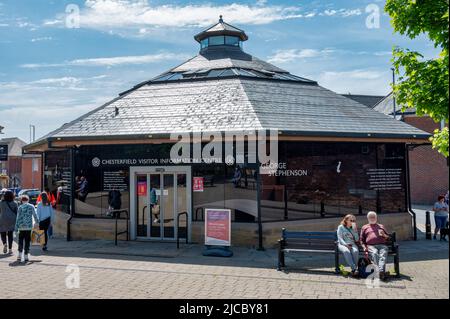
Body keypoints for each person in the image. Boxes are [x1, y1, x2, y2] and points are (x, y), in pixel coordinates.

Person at [360, 211, 391, 280]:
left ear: (376, 218)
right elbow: (361, 240)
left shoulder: (381, 226)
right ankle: (381, 272)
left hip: (382, 245)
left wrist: (384, 235)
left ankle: (379, 272)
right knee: (374, 253)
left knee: (383, 254)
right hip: (371, 246)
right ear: (368, 218)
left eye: (374, 217)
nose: (372, 218)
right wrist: (364, 247)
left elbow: (388, 238)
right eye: (370, 217)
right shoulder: (365, 227)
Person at [15, 195, 39, 263]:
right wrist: (37, 221)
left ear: (22, 201)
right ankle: (26, 256)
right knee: (27, 242)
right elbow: (35, 215)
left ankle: (19, 255)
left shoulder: (20, 207)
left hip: (21, 227)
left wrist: (16, 227)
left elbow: (17, 218)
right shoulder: (31, 206)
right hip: (28, 227)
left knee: (20, 241)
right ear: (28, 200)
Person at [0, 190, 18, 254]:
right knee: (10, 234)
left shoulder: (1, 203)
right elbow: (17, 212)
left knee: (2, 232)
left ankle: (5, 244)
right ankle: (10, 249)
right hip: (12, 220)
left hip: (2, 219)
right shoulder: (14, 203)